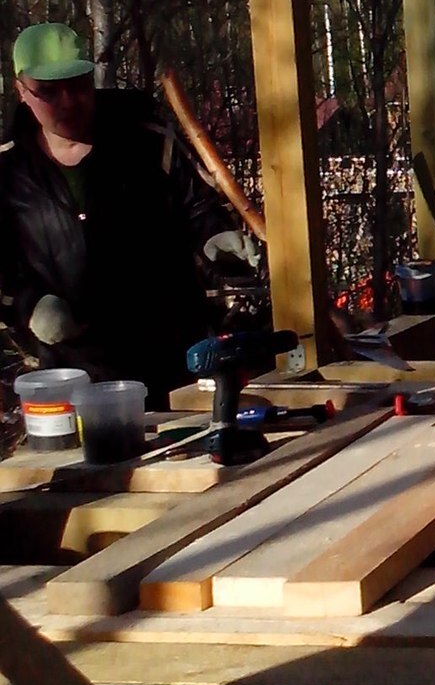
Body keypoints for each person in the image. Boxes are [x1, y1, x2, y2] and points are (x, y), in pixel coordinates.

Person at [0, 22, 257, 402]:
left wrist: (215, 236)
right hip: (72, 376)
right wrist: (31, 306)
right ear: (21, 90)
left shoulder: (147, 140)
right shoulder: (8, 172)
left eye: (78, 85)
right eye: (49, 92)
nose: (69, 102)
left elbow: (198, 206)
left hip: (171, 361)